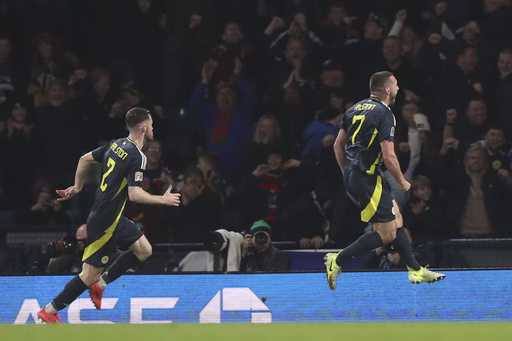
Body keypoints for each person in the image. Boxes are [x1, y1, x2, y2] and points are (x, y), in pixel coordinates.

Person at [37, 107, 181, 324]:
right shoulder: (137, 156)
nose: (153, 128)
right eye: (151, 125)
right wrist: (163, 199)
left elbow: (85, 159)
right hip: (106, 221)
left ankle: (101, 285)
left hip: (112, 216)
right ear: (144, 128)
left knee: (144, 250)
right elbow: (134, 194)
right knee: (88, 274)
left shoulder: (116, 144)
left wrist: (77, 186)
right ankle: (50, 310)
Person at [324, 71, 445, 290]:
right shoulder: (384, 113)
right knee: (386, 234)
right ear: (387, 89)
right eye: (396, 84)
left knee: (396, 218)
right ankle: (337, 260)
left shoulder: (354, 109)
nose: (399, 88)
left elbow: (337, 145)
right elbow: (389, 156)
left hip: (356, 175)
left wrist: (346, 174)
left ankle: (415, 270)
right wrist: (402, 181)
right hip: (367, 177)